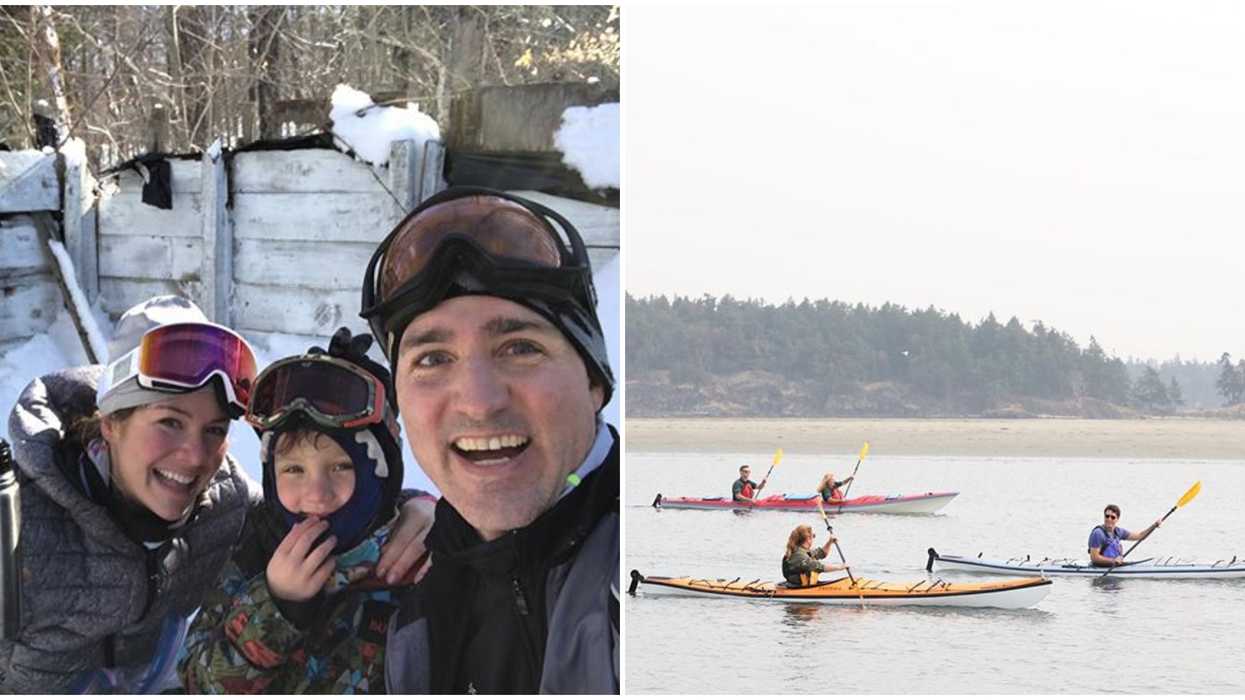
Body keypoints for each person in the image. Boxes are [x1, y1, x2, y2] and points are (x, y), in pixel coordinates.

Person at [0, 296, 434, 693]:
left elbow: (326, 504)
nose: (194, 456)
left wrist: (416, 509)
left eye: (215, 430)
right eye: (169, 422)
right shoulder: (17, 529)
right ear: (111, 423)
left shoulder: (225, 506)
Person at [361, 187, 618, 693]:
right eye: (432, 359)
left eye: (519, 347)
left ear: (594, 381)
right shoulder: (411, 591)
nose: (479, 402)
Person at [178, 328, 435, 693]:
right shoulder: (255, 546)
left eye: (341, 467)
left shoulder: (416, 560)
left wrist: (432, 513)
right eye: (293, 470)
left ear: (379, 476)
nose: (316, 494)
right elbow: (195, 683)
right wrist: (277, 605)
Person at [1088, 504, 1160, 567]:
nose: (1109, 519)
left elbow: (1140, 536)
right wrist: (1113, 561)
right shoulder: (1098, 533)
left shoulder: (1118, 532)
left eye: (1113, 517)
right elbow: (1094, 558)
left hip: (1115, 566)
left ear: (1117, 519)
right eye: (1107, 516)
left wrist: (1154, 526)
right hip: (1100, 568)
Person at [782, 524, 849, 586]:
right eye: (813, 536)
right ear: (808, 538)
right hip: (797, 587)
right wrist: (840, 567)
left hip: (805, 586)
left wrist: (830, 542)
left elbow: (822, 553)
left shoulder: (803, 550)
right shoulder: (798, 555)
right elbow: (819, 567)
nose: (813, 539)